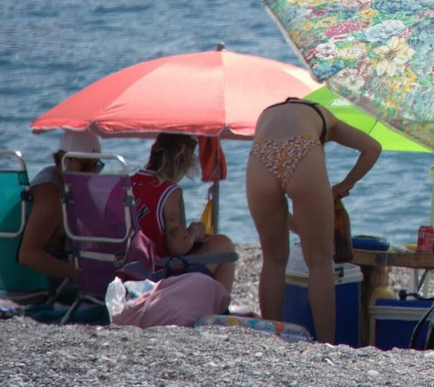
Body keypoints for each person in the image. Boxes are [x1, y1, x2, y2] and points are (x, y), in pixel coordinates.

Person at [245, 97, 381, 343]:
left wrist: (302, 227)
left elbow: (279, 215)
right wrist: (344, 184)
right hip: (303, 148)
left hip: (261, 153)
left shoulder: (269, 114)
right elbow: (373, 148)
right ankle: (325, 344)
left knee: (273, 260)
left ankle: (269, 340)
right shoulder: (327, 118)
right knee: (319, 262)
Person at [131, 133, 239, 292]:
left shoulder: (129, 183)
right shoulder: (168, 191)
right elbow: (179, 247)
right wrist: (195, 230)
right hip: (159, 272)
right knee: (224, 245)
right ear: (180, 161)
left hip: (130, 267)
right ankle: (217, 305)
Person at [18, 129, 103, 294]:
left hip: (59, 272)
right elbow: (28, 255)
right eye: (87, 165)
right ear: (66, 161)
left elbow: (98, 227)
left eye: (97, 165)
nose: (93, 172)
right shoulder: (50, 195)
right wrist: (80, 274)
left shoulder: (69, 180)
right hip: (38, 282)